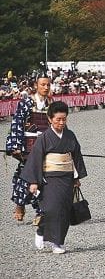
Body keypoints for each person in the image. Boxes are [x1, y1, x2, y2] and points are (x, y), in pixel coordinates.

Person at [21, 101, 87, 254]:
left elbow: (76, 156)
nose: (61, 122)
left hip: (67, 177)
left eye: (64, 119)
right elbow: (35, 159)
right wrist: (33, 181)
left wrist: (77, 178)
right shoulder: (44, 137)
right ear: (50, 119)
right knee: (51, 208)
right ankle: (41, 231)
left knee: (63, 210)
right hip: (49, 178)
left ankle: (57, 243)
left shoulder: (70, 135)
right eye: (58, 119)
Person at [5, 72, 52, 223]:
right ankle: (20, 204)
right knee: (26, 176)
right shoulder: (26, 103)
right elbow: (17, 124)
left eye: (48, 85)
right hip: (29, 146)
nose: (46, 87)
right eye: (42, 84)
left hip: (46, 145)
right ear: (35, 86)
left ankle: (41, 212)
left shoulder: (51, 104)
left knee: (45, 178)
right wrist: (15, 146)